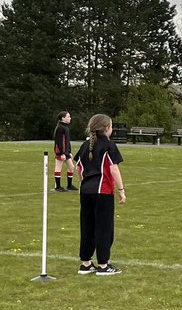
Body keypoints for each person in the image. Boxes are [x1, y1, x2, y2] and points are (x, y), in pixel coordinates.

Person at [72, 113, 126, 275]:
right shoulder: (109, 145)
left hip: (86, 191)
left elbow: (79, 169)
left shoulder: (84, 145)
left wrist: (85, 183)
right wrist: (121, 190)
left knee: (87, 226)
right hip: (102, 192)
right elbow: (113, 168)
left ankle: (86, 263)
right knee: (104, 228)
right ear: (106, 128)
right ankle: (103, 265)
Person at [52, 111, 77, 192]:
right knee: (58, 167)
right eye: (68, 116)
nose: (70, 118)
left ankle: (69, 185)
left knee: (71, 167)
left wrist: (69, 151)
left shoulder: (65, 127)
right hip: (61, 152)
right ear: (63, 118)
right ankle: (58, 187)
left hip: (66, 152)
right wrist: (62, 153)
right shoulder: (60, 128)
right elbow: (59, 141)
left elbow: (67, 141)